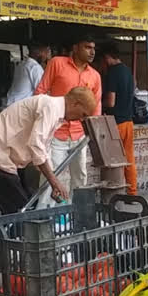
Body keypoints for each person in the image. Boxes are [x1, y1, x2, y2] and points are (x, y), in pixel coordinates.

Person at [0, 87, 97, 215]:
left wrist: (52, 183)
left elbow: (43, 151)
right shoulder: (51, 107)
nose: (80, 120)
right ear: (76, 104)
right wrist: (54, 181)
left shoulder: (54, 112)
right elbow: (36, 145)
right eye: (83, 114)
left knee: (20, 208)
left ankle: (15, 233)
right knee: (20, 212)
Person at [34, 33, 102, 206]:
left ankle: (78, 215)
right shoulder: (57, 63)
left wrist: (92, 133)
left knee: (80, 177)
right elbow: (40, 93)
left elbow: (96, 108)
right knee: (51, 176)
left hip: (80, 135)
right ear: (75, 48)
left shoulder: (94, 76)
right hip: (56, 132)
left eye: (93, 48)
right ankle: (42, 217)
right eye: (87, 47)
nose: (92, 52)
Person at [101, 44, 137, 194]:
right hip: (128, 121)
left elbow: (111, 102)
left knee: (114, 161)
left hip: (116, 123)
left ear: (107, 58)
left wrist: (97, 103)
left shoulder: (113, 73)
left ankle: (116, 193)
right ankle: (132, 192)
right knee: (129, 159)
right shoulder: (127, 71)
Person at [6, 42, 51, 106]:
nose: (46, 56)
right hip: (18, 108)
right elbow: (42, 93)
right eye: (45, 52)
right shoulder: (35, 67)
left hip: (11, 104)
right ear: (36, 51)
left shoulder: (22, 63)